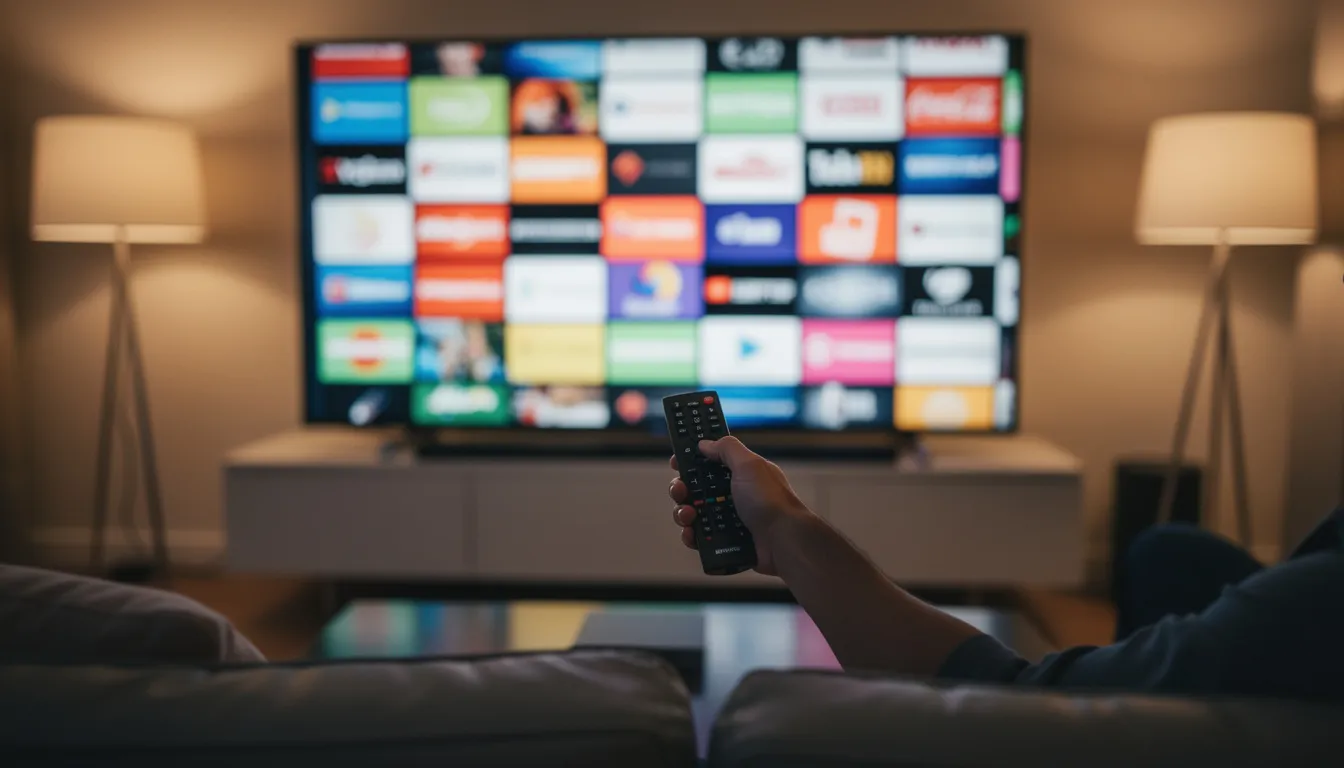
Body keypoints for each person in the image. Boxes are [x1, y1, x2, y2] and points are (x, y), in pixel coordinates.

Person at [667, 437, 1344, 702]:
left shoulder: (1315, 608)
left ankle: (1143, 719)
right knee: (1166, 550)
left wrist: (786, 532)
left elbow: (1010, 694)